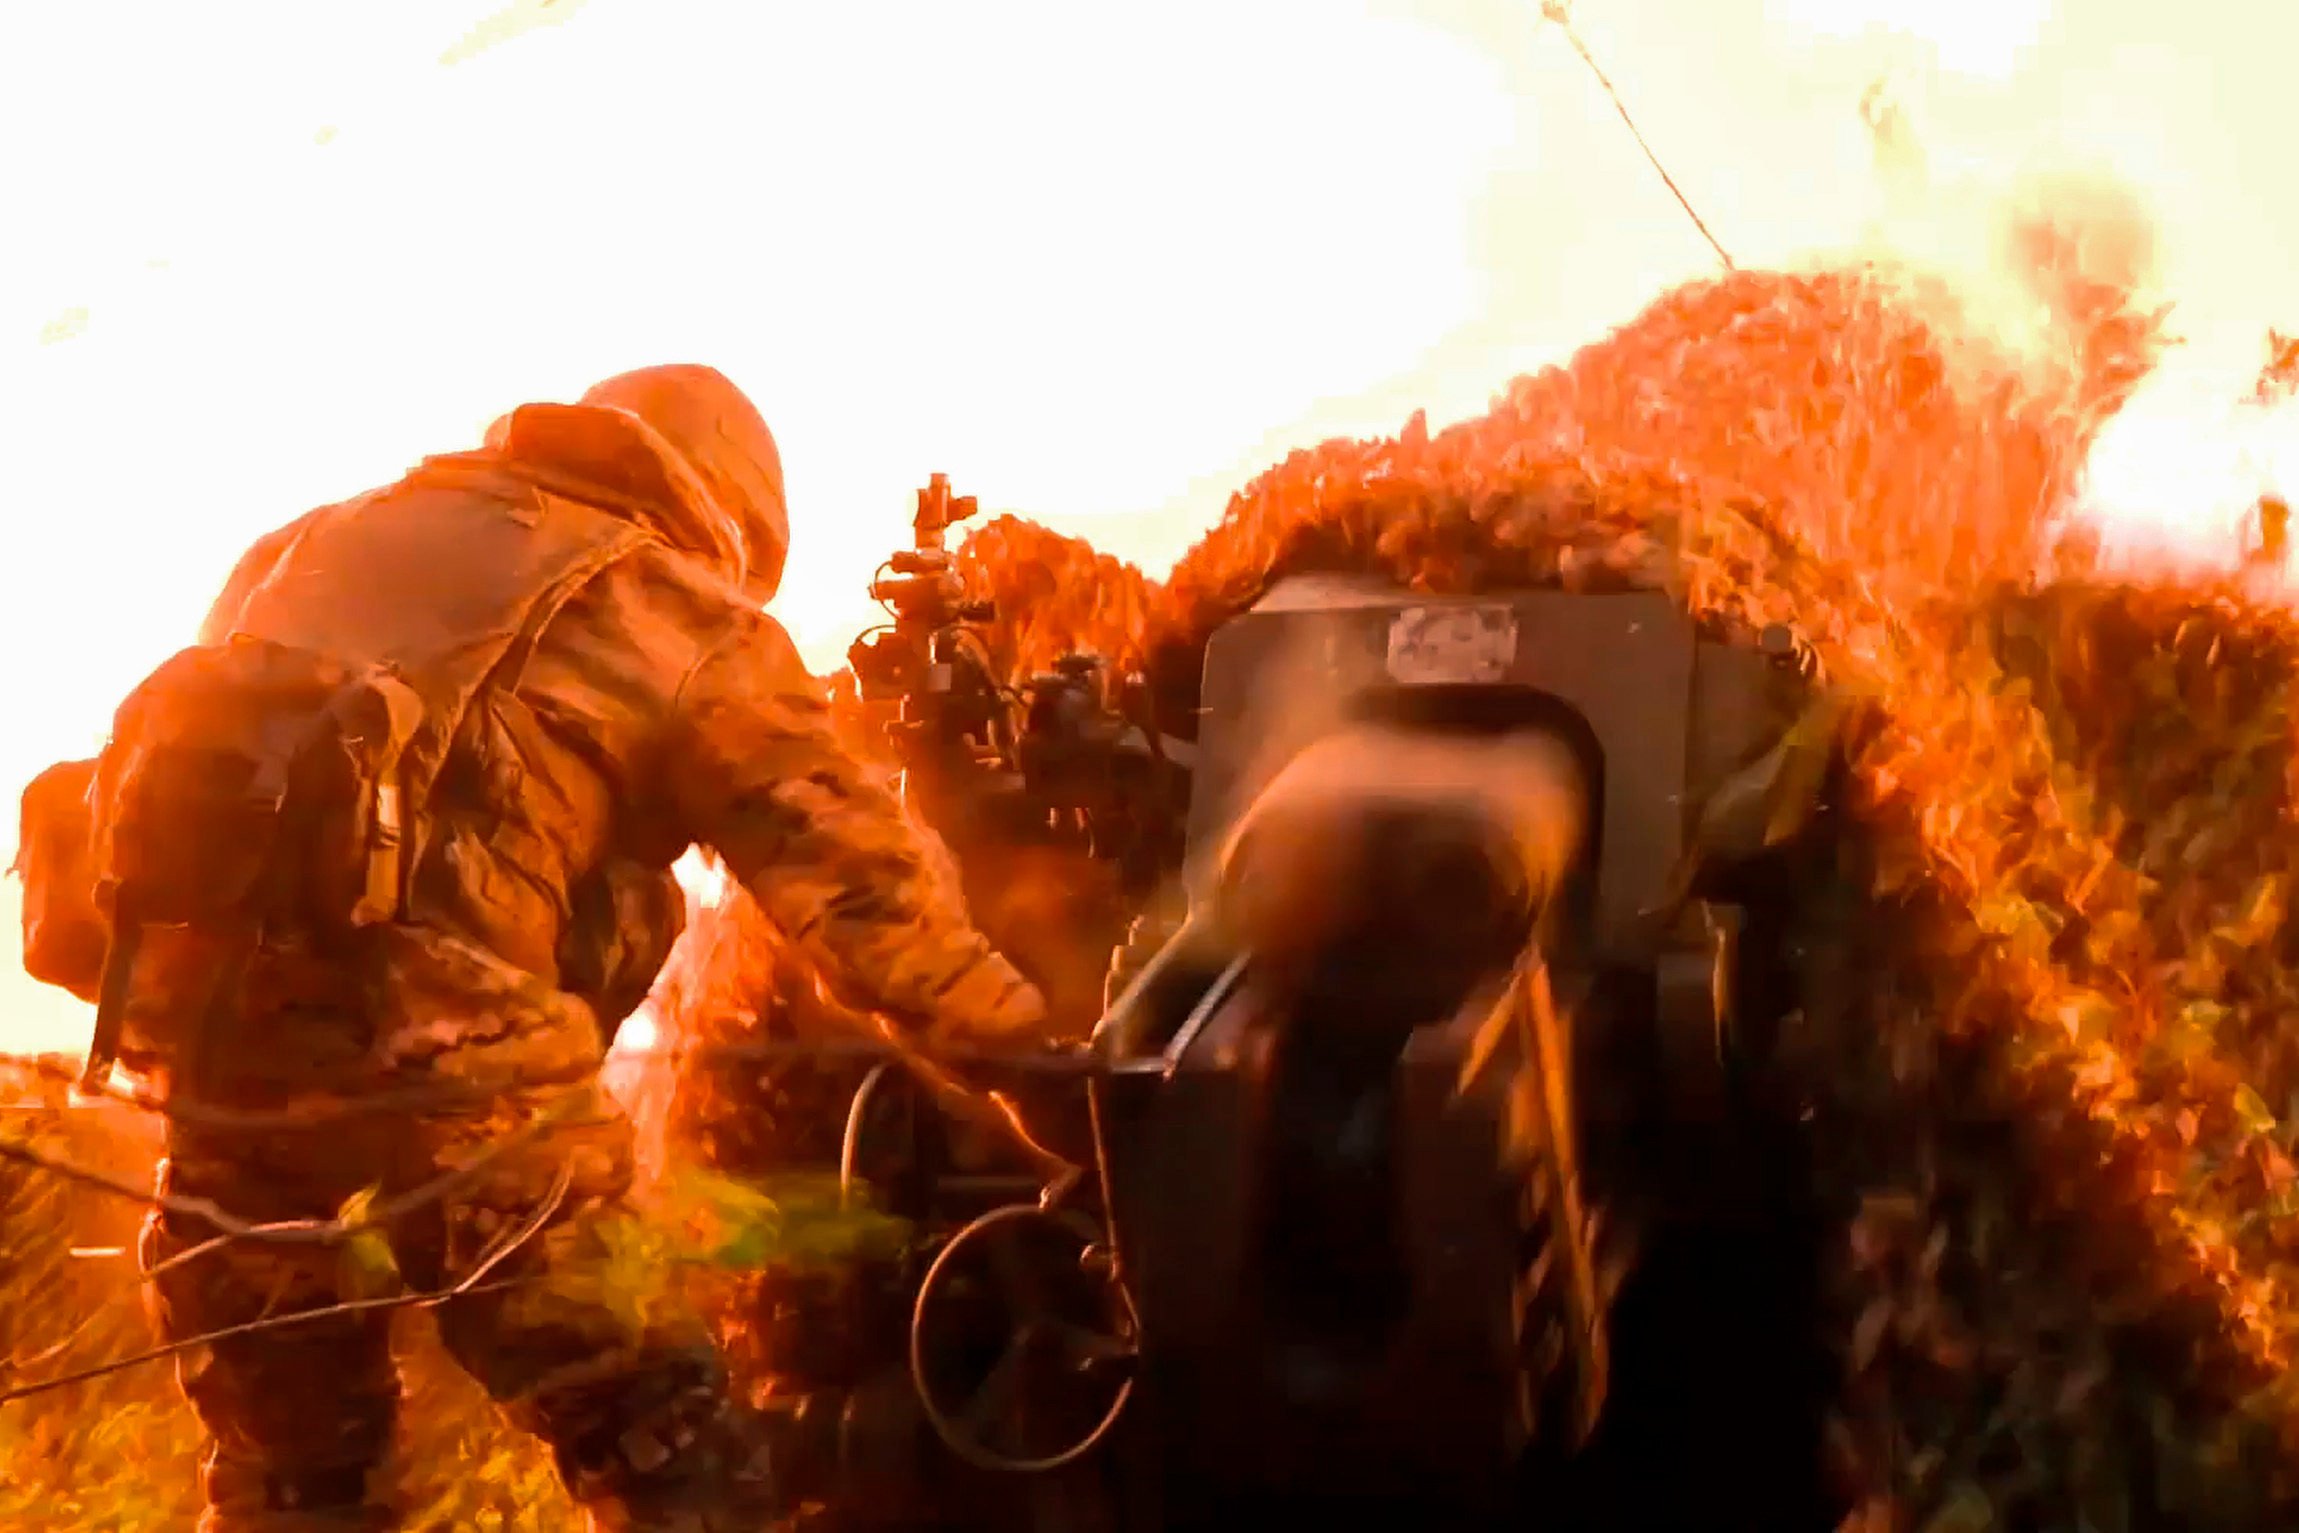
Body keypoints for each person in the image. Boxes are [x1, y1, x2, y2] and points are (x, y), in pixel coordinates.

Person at [17, 364, 1048, 1532]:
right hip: (477, 1103)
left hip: (216, 1112)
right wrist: (1046, 1079)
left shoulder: (310, 544)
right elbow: (872, 900)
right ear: (730, 516)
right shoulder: (669, 607)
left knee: (292, 1488)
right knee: (664, 1445)